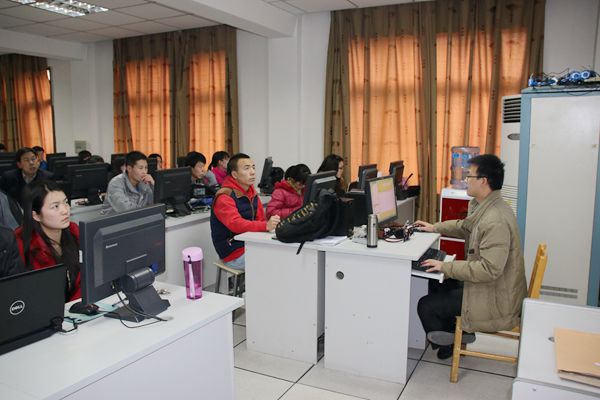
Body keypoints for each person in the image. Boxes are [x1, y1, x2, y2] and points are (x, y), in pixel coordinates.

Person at [414, 154, 527, 360]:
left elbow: (489, 270)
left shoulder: (495, 220)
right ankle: (458, 334)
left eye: (469, 176)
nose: (466, 180)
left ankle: (453, 340)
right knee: (437, 282)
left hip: (496, 298)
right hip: (494, 286)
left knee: (426, 306)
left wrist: (446, 266)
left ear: (483, 181)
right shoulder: (486, 206)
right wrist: (434, 227)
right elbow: (465, 227)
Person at [210, 153, 280, 270]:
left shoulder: (252, 192)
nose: (252, 172)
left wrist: (268, 226)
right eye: (246, 168)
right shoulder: (224, 196)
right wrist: (265, 226)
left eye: (253, 167)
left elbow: (260, 219)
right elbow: (236, 224)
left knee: (284, 252)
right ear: (235, 174)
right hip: (233, 252)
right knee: (275, 261)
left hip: (252, 243)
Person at [15, 181, 80, 301]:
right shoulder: (22, 245)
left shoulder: (74, 232)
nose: (65, 210)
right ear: (36, 215)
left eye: (66, 202)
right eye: (55, 206)